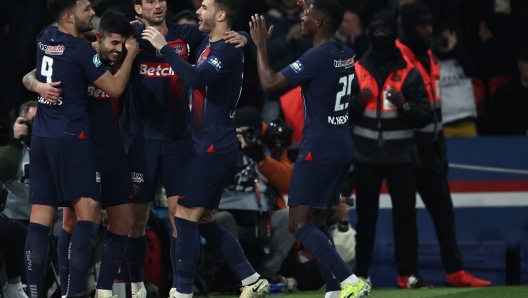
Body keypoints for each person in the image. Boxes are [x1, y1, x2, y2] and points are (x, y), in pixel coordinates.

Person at [141, 1, 271, 298]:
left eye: (204, 6)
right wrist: (244, 34)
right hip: (206, 143)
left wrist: (164, 48)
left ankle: (182, 291)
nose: (198, 11)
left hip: (214, 145)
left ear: (220, 14)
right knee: (204, 220)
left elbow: (197, 78)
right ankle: (251, 279)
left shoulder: (224, 50)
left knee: (185, 216)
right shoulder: (211, 43)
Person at [250, 0, 370, 297]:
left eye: (307, 17)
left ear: (319, 24)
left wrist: (261, 45)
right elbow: (327, 19)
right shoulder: (345, 52)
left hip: (318, 148)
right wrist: (314, 8)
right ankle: (333, 290)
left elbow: (269, 83)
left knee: (297, 224)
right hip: (341, 146)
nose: (301, 20)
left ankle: (350, 280)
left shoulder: (316, 57)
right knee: (317, 221)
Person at [21, 1, 138, 298]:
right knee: (88, 217)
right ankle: (73, 294)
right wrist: (131, 55)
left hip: (43, 139)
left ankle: (37, 293)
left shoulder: (46, 37)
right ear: (70, 16)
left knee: (39, 219)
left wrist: (36, 86)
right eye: (87, 9)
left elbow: (28, 75)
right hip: (73, 139)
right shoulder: (82, 51)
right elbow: (114, 88)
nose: (91, 15)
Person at [397, 2, 492, 287]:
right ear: (410, 27)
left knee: (443, 211)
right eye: (423, 26)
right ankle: (406, 274)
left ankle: (455, 271)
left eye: (429, 25)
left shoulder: (430, 55)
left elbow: (437, 105)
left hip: (430, 146)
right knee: (406, 215)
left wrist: (440, 148)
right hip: (403, 146)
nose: (429, 31)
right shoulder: (397, 56)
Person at [348, 9, 432, 288]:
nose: (380, 36)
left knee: (406, 217)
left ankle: (407, 274)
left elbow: (425, 115)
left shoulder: (409, 72)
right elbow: (342, 115)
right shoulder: (357, 69)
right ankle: (361, 273)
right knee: (366, 218)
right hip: (366, 155)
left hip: (401, 156)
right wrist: (357, 103)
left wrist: (403, 104)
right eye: (376, 31)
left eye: (385, 32)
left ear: (395, 36)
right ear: (370, 34)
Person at [216, 106, 295, 284]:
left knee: (290, 217)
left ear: (259, 132)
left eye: (249, 133)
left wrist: (261, 159)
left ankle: (267, 274)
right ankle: (242, 277)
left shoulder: (271, 147)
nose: (244, 138)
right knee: (222, 219)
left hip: (262, 218)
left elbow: (289, 182)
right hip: (229, 216)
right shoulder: (221, 145)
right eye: (238, 133)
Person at [0, 101, 37, 222]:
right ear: (21, 121)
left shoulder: (56, 148)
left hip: (48, 220)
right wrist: (14, 141)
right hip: (13, 218)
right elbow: (2, 172)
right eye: (34, 121)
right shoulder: (10, 147)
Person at [488, 45, 528, 135]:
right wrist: (523, 133)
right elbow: (495, 125)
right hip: (510, 143)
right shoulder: (504, 93)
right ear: (520, 65)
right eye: (527, 62)